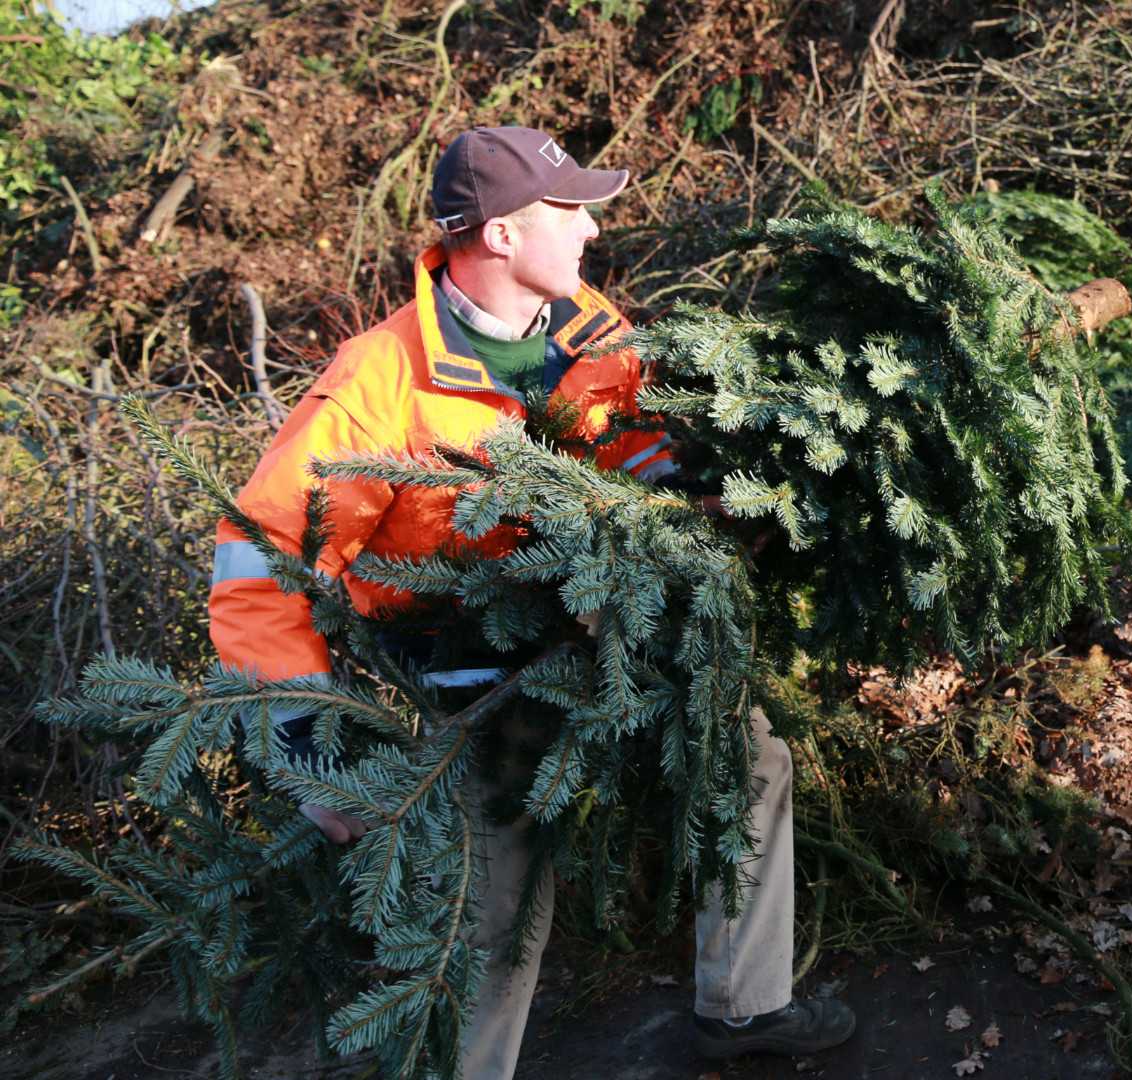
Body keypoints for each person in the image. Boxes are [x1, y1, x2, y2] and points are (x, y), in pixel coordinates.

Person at [205, 125, 855, 1078]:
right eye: (570, 208)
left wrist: (707, 503)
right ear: (502, 234)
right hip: (467, 672)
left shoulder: (590, 327)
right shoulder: (377, 385)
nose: (591, 229)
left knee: (745, 753)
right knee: (492, 899)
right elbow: (261, 562)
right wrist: (302, 745)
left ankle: (744, 1010)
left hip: (606, 624)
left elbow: (629, 455)